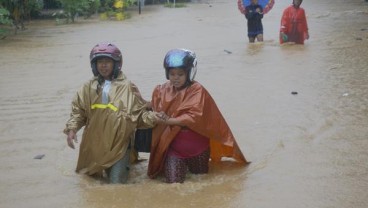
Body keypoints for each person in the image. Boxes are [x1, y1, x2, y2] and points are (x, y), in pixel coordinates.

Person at [146, 49, 249, 183]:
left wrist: (170, 121)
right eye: (172, 74)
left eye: (180, 74)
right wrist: (140, 102)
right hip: (174, 150)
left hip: (198, 150)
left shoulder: (197, 90)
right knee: (173, 185)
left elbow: (193, 117)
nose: (175, 78)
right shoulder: (163, 89)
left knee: (201, 181)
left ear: (189, 73)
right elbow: (156, 105)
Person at [63, 42, 158, 184]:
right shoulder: (87, 87)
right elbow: (78, 112)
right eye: (100, 62)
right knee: (90, 183)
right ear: (94, 65)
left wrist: (156, 117)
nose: (104, 65)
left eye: (107, 62)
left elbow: (139, 116)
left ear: (116, 64)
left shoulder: (127, 86)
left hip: (119, 144)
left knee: (117, 185)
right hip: (94, 144)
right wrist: (72, 129)